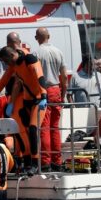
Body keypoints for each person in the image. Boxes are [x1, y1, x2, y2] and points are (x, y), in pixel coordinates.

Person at [0, 46, 47, 176]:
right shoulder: (14, 65)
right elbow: (3, 81)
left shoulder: (29, 59)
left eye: (7, 61)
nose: (7, 65)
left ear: (12, 56)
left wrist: (44, 96)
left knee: (33, 129)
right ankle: (27, 161)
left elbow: (39, 76)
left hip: (39, 100)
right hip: (26, 101)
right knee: (21, 131)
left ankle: (35, 163)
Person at [34, 27, 68, 171]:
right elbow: (64, 77)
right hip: (56, 90)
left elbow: (34, 76)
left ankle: (46, 162)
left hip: (43, 91)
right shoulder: (58, 52)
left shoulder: (36, 53)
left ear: (37, 38)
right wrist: (64, 94)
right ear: (49, 36)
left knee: (44, 128)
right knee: (55, 128)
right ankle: (57, 161)